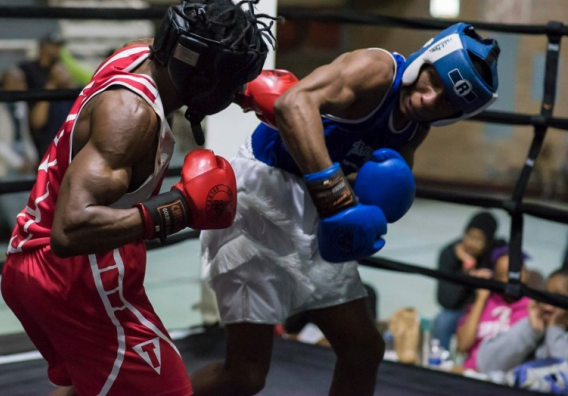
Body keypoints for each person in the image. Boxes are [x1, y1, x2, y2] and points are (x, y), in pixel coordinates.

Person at [0, 0, 277, 396]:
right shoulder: (131, 118)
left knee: (93, 385)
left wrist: (235, 89)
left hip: (33, 263)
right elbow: (70, 230)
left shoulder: (137, 56)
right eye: (231, 82)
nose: (236, 90)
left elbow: (192, 66)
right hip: (76, 279)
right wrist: (178, 209)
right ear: (204, 80)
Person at [193, 22, 501, 396]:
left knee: (363, 350)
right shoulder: (376, 69)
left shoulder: (417, 126)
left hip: (319, 207)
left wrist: (366, 207)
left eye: (447, 101)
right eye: (432, 83)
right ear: (426, 61)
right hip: (263, 194)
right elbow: (293, 103)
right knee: (245, 376)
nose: (428, 100)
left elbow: (373, 188)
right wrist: (335, 195)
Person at [0, 67, 38, 230]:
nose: (21, 85)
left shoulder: (20, 102)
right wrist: (17, 162)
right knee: (12, 205)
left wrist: (30, 155)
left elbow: (24, 132)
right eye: (16, 81)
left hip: (20, 154)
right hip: (3, 160)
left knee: (31, 202)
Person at [476, 267, 568, 373]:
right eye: (546, 295)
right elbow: (486, 366)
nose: (547, 306)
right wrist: (531, 332)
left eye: (559, 299)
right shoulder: (532, 325)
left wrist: (555, 329)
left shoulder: (555, 332)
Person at [433, 210, 503, 349]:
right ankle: (442, 364)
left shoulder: (496, 254)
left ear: (488, 242)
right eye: (469, 236)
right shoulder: (449, 254)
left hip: (488, 308)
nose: (471, 243)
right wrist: (467, 272)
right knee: (442, 320)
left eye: (479, 239)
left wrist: (491, 277)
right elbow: (446, 301)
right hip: (460, 309)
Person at [456, 246, 532, 371]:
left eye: (515, 273)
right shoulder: (485, 302)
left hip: (507, 377)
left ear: (526, 274)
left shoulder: (532, 308)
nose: (509, 279)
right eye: (502, 274)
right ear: (495, 277)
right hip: (472, 371)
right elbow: (462, 347)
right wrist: (481, 298)